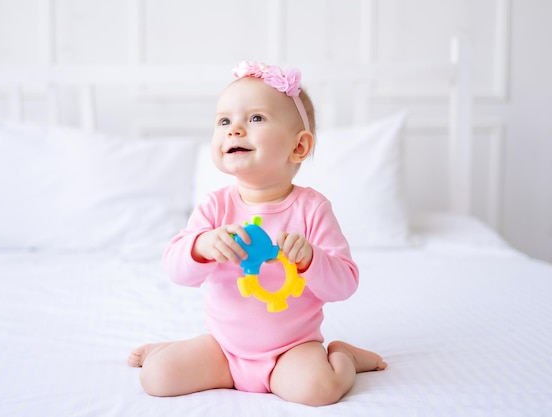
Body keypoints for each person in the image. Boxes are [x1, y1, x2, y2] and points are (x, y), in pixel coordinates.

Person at [128, 61, 387, 407]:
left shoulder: (312, 209)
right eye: (224, 121)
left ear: (298, 147)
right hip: (223, 349)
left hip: (290, 351)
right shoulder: (215, 208)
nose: (234, 129)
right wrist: (201, 246)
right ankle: (167, 352)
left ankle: (345, 359)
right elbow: (176, 269)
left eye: (256, 118)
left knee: (318, 391)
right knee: (156, 378)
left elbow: (345, 284)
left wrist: (312, 259)